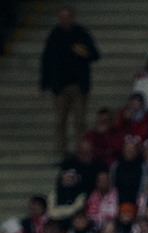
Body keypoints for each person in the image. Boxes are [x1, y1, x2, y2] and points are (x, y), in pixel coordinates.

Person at [40, 6, 100, 158]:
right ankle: (62, 153)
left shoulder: (81, 34)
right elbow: (47, 60)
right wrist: (45, 83)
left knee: (80, 121)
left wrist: (86, 53)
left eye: (68, 17)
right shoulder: (54, 35)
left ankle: (81, 152)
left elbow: (95, 54)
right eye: (62, 17)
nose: (65, 20)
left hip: (78, 85)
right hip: (60, 86)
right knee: (60, 122)